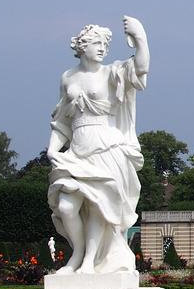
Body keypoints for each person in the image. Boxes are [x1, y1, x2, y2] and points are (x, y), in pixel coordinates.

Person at [47, 16, 148, 274]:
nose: (102, 48)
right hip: (77, 150)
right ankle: (77, 254)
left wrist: (140, 37)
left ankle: (89, 261)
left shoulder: (112, 73)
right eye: (96, 43)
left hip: (106, 146)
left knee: (99, 207)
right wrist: (52, 149)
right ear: (82, 47)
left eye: (105, 43)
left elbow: (140, 68)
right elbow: (62, 122)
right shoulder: (67, 78)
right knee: (67, 206)